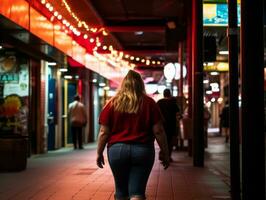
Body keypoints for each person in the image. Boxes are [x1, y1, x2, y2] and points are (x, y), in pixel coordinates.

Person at [96, 70, 170, 200]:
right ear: (141, 85)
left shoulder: (112, 103)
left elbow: (104, 132)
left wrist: (99, 152)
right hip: (143, 150)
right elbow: (158, 130)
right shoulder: (149, 103)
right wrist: (165, 151)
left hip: (117, 151)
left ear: (123, 85)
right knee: (137, 191)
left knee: (121, 191)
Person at [157, 89, 180, 161]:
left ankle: (162, 154)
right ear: (169, 94)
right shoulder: (173, 103)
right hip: (171, 125)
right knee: (170, 142)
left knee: (163, 140)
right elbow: (178, 114)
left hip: (162, 125)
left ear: (164, 94)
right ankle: (168, 156)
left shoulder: (159, 102)